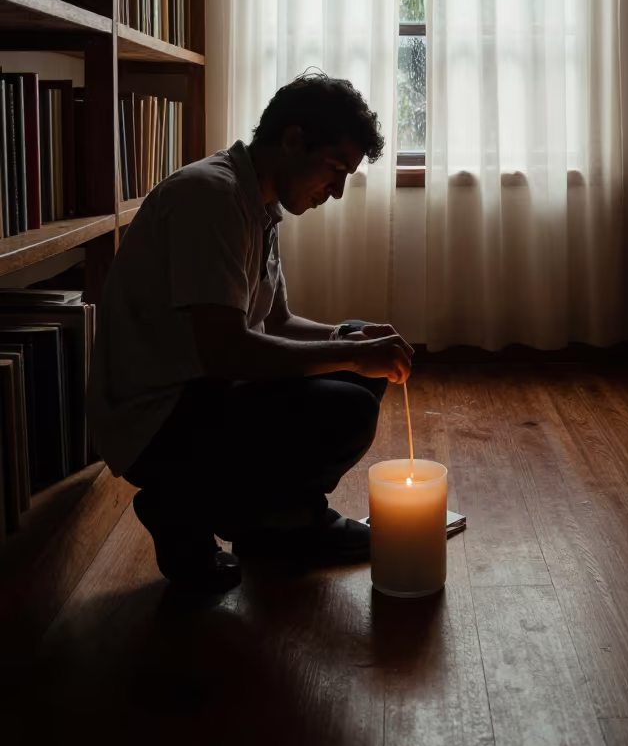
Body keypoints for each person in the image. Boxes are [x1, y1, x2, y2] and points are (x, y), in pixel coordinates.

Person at [86, 71, 413, 592]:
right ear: (292, 141)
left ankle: (282, 521)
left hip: (202, 389)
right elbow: (227, 353)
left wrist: (354, 343)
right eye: (333, 169)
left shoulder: (256, 202)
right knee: (347, 405)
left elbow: (277, 321)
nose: (337, 191)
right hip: (158, 419)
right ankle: (187, 502)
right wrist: (351, 354)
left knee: (358, 355)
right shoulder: (211, 198)